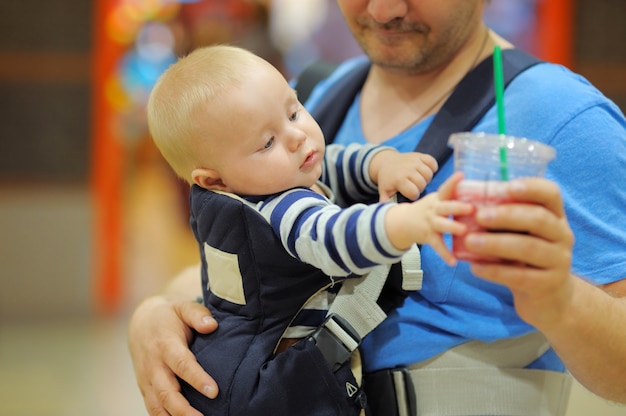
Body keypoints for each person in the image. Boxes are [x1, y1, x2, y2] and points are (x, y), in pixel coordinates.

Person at [129, 1, 626, 415]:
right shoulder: (324, 98)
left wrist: (559, 300)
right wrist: (157, 315)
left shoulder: (563, 117)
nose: (384, 8)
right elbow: (251, 264)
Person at [145, 44, 472, 414]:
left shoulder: (271, 175)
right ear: (215, 181)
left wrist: (381, 163)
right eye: (267, 142)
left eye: (294, 111)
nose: (297, 136)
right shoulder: (280, 209)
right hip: (272, 384)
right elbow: (333, 237)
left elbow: (334, 160)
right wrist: (408, 221)